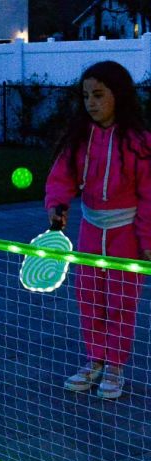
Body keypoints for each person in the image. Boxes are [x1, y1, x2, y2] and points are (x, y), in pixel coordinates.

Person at [45, 60, 151, 400]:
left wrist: (147, 241)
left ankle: (116, 366)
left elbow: (149, 196)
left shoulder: (140, 142)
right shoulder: (79, 139)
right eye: (86, 95)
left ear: (118, 95)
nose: (91, 102)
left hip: (126, 235)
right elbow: (61, 178)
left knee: (121, 303)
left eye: (99, 94)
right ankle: (95, 361)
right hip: (91, 230)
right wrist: (57, 206)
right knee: (88, 298)